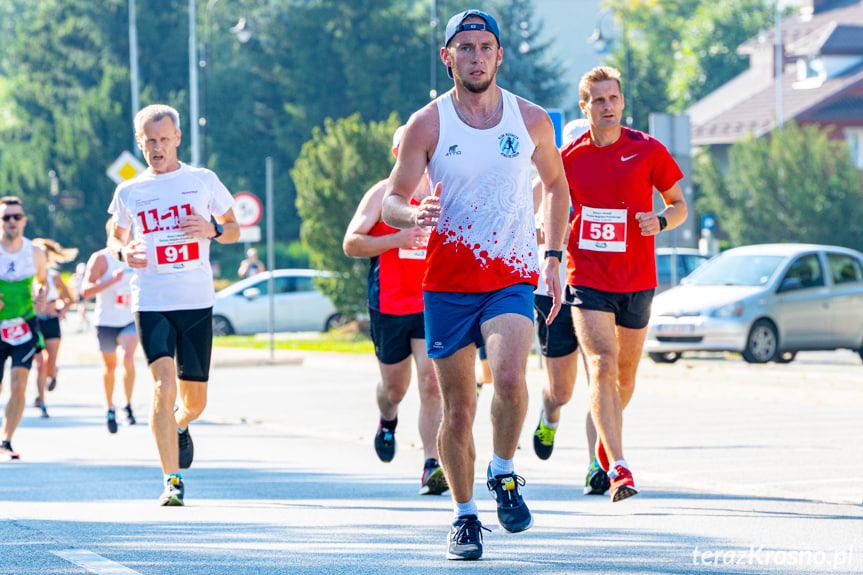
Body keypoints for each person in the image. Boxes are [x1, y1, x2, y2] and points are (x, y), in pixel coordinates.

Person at [381, 10, 570, 561]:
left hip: (510, 274)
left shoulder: (530, 119)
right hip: (445, 283)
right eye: (465, 48)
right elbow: (393, 197)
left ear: (499, 55)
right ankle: (465, 517)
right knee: (457, 410)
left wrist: (553, 257)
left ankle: (504, 472)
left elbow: (557, 187)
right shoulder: (428, 124)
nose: (476, 56)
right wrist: (412, 214)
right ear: (448, 57)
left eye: (485, 47)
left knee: (511, 376)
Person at [561, 66, 687, 502]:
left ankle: (600, 445)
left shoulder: (648, 150)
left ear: (622, 102)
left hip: (637, 278)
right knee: (602, 365)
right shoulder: (569, 159)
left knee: (626, 378)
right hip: (588, 277)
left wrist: (661, 221)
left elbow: (679, 205)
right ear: (585, 107)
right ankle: (618, 466)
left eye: (612, 98)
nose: (607, 106)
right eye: (597, 100)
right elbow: (552, 208)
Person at [107, 104, 239, 506]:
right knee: (162, 387)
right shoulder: (129, 190)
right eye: (150, 141)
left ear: (177, 138)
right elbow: (114, 237)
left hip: (196, 301)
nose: (158, 147)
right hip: (151, 301)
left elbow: (235, 230)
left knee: (194, 401)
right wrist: (122, 253)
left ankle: (180, 424)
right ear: (139, 142)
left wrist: (213, 229)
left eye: (164, 139)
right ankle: (172, 481)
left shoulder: (202, 181)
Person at [343, 125, 447, 496]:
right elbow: (351, 243)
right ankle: (388, 419)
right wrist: (395, 239)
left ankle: (432, 464)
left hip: (431, 300)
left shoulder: (441, 193)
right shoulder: (381, 195)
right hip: (390, 303)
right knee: (395, 388)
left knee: (431, 381)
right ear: (396, 154)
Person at [530, 119, 610, 496]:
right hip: (553, 296)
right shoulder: (540, 187)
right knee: (561, 391)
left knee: (601, 378)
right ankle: (549, 416)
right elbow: (517, 226)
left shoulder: (607, 185)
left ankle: (598, 463)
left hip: (597, 291)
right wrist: (538, 229)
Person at [80, 220, 139, 434]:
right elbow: (85, 291)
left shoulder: (137, 255)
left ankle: (128, 405)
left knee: (128, 358)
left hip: (130, 319)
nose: (127, 236)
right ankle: (109, 406)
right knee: (110, 367)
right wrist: (110, 282)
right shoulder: (101, 258)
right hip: (106, 321)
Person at [0, 196, 48, 460]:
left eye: (16, 217)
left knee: (19, 383)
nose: (11, 222)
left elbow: (42, 282)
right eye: (6, 217)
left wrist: (41, 292)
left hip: (24, 326)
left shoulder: (34, 252)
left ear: (24, 221)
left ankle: (6, 440)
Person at [31, 238, 77, 418]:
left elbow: (69, 300)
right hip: (35, 322)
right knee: (40, 363)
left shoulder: (54, 276)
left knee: (49, 365)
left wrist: (59, 309)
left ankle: (54, 372)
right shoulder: (27, 276)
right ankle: (42, 402)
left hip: (51, 322)